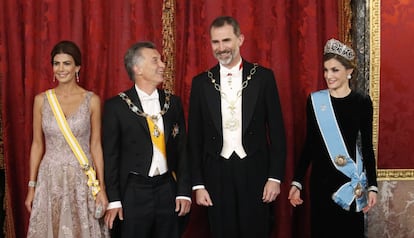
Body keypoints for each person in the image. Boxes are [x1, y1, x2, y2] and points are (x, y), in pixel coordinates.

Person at [187, 16, 286, 238]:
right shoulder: (201, 82)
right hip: (216, 173)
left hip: (255, 171)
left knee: (257, 231)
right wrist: (198, 184)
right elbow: (194, 139)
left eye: (226, 40)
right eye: (215, 42)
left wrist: (275, 178)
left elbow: (278, 132)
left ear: (240, 39)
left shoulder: (263, 77)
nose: (221, 48)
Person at [288, 38, 378, 238]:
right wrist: (297, 182)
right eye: (326, 70)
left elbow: (367, 148)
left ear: (349, 71)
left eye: (335, 70)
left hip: (349, 182)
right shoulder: (315, 101)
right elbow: (309, 145)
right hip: (321, 183)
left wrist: (372, 186)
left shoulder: (362, 102)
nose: (328, 76)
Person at [102, 41, 191, 238]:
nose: (162, 64)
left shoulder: (173, 103)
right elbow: (110, 157)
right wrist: (114, 200)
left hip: (167, 188)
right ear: (138, 68)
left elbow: (183, 149)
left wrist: (183, 191)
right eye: (155, 60)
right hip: (134, 191)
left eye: (160, 59)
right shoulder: (116, 106)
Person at [24, 40, 109, 237]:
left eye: (67, 63)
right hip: (50, 177)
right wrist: (32, 186)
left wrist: (101, 188)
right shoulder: (41, 101)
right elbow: (37, 145)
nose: (61, 69)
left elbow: (96, 145)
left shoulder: (92, 100)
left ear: (77, 67)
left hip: (82, 178)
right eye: (56, 63)